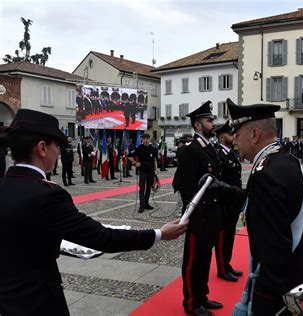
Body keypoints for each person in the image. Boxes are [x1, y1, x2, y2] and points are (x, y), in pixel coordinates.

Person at [0, 109, 188, 316]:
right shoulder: (47, 195)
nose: (60, 152)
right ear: (42, 148)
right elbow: (101, 237)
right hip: (37, 302)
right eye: (58, 146)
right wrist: (159, 234)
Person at [206, 99, 303, 315]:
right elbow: (274, 206)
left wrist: (268, 303)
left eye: (238, 134)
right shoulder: (285, 160)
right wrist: (227, 190)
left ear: (254, 135)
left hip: (284, 287)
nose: (235, 140)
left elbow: (273, 252)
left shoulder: (265, 174)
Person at [172, 101, 225, 316]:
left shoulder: (209, 147)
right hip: (198, 217)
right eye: (209, 120)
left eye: (212, 120)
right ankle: (192, 302)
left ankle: (202, 296)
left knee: (204, 259)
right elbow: (186, 187)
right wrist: (194, 215)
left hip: (211, 215)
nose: (213, 123)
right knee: (193, 261)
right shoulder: (190, 150)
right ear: (197, 125)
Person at [214, 120, 243, 282]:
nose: (233, 136)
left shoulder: (230, 152)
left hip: (233, 201)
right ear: (221, 137)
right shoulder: (218, 154)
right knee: (223, 236)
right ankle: (222, 268)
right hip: (224, 201)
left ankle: (227, 263)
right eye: (230, 134)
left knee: (230, 234)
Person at [128, 133, 157, 213]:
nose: (145, 140)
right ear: (142, 140)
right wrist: (135, 163)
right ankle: (142, 206)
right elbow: (129, 156)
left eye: (147, 138)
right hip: (142, 172)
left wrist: (156, 170)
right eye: (144, 139)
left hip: (151, 172)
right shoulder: (138, 148)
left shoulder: (152, 148)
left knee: (148, 188)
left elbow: (154, 160)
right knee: (142, 188)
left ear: (149, 139)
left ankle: (146, 204)